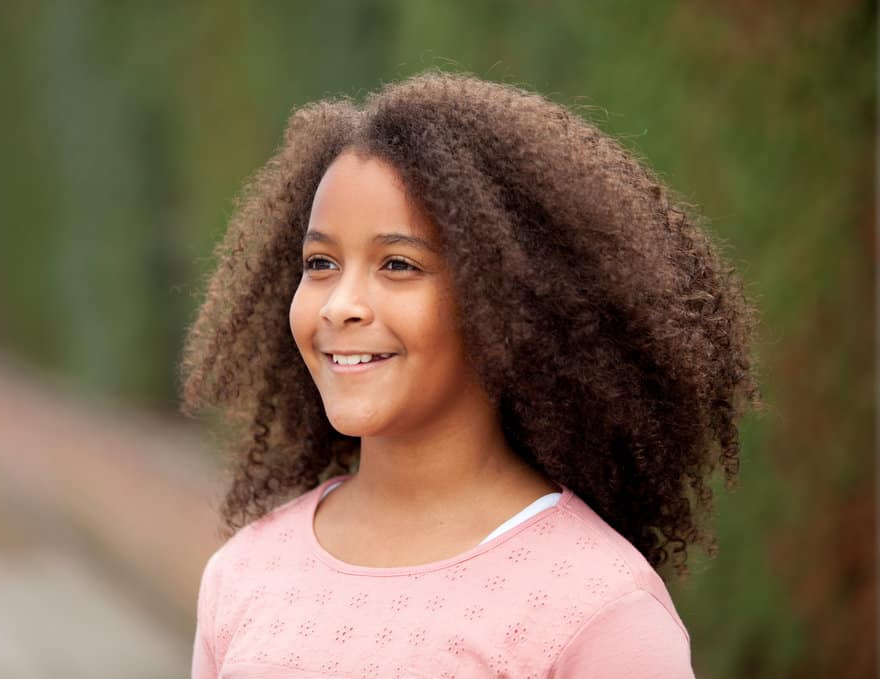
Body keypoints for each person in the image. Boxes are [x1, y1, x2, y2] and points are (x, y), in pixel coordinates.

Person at [180, 71, 760, 678]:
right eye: (320, 263)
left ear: (502, 300)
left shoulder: (598, 608)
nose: (338, 304)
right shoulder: (246, 572)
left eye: (398, 264)